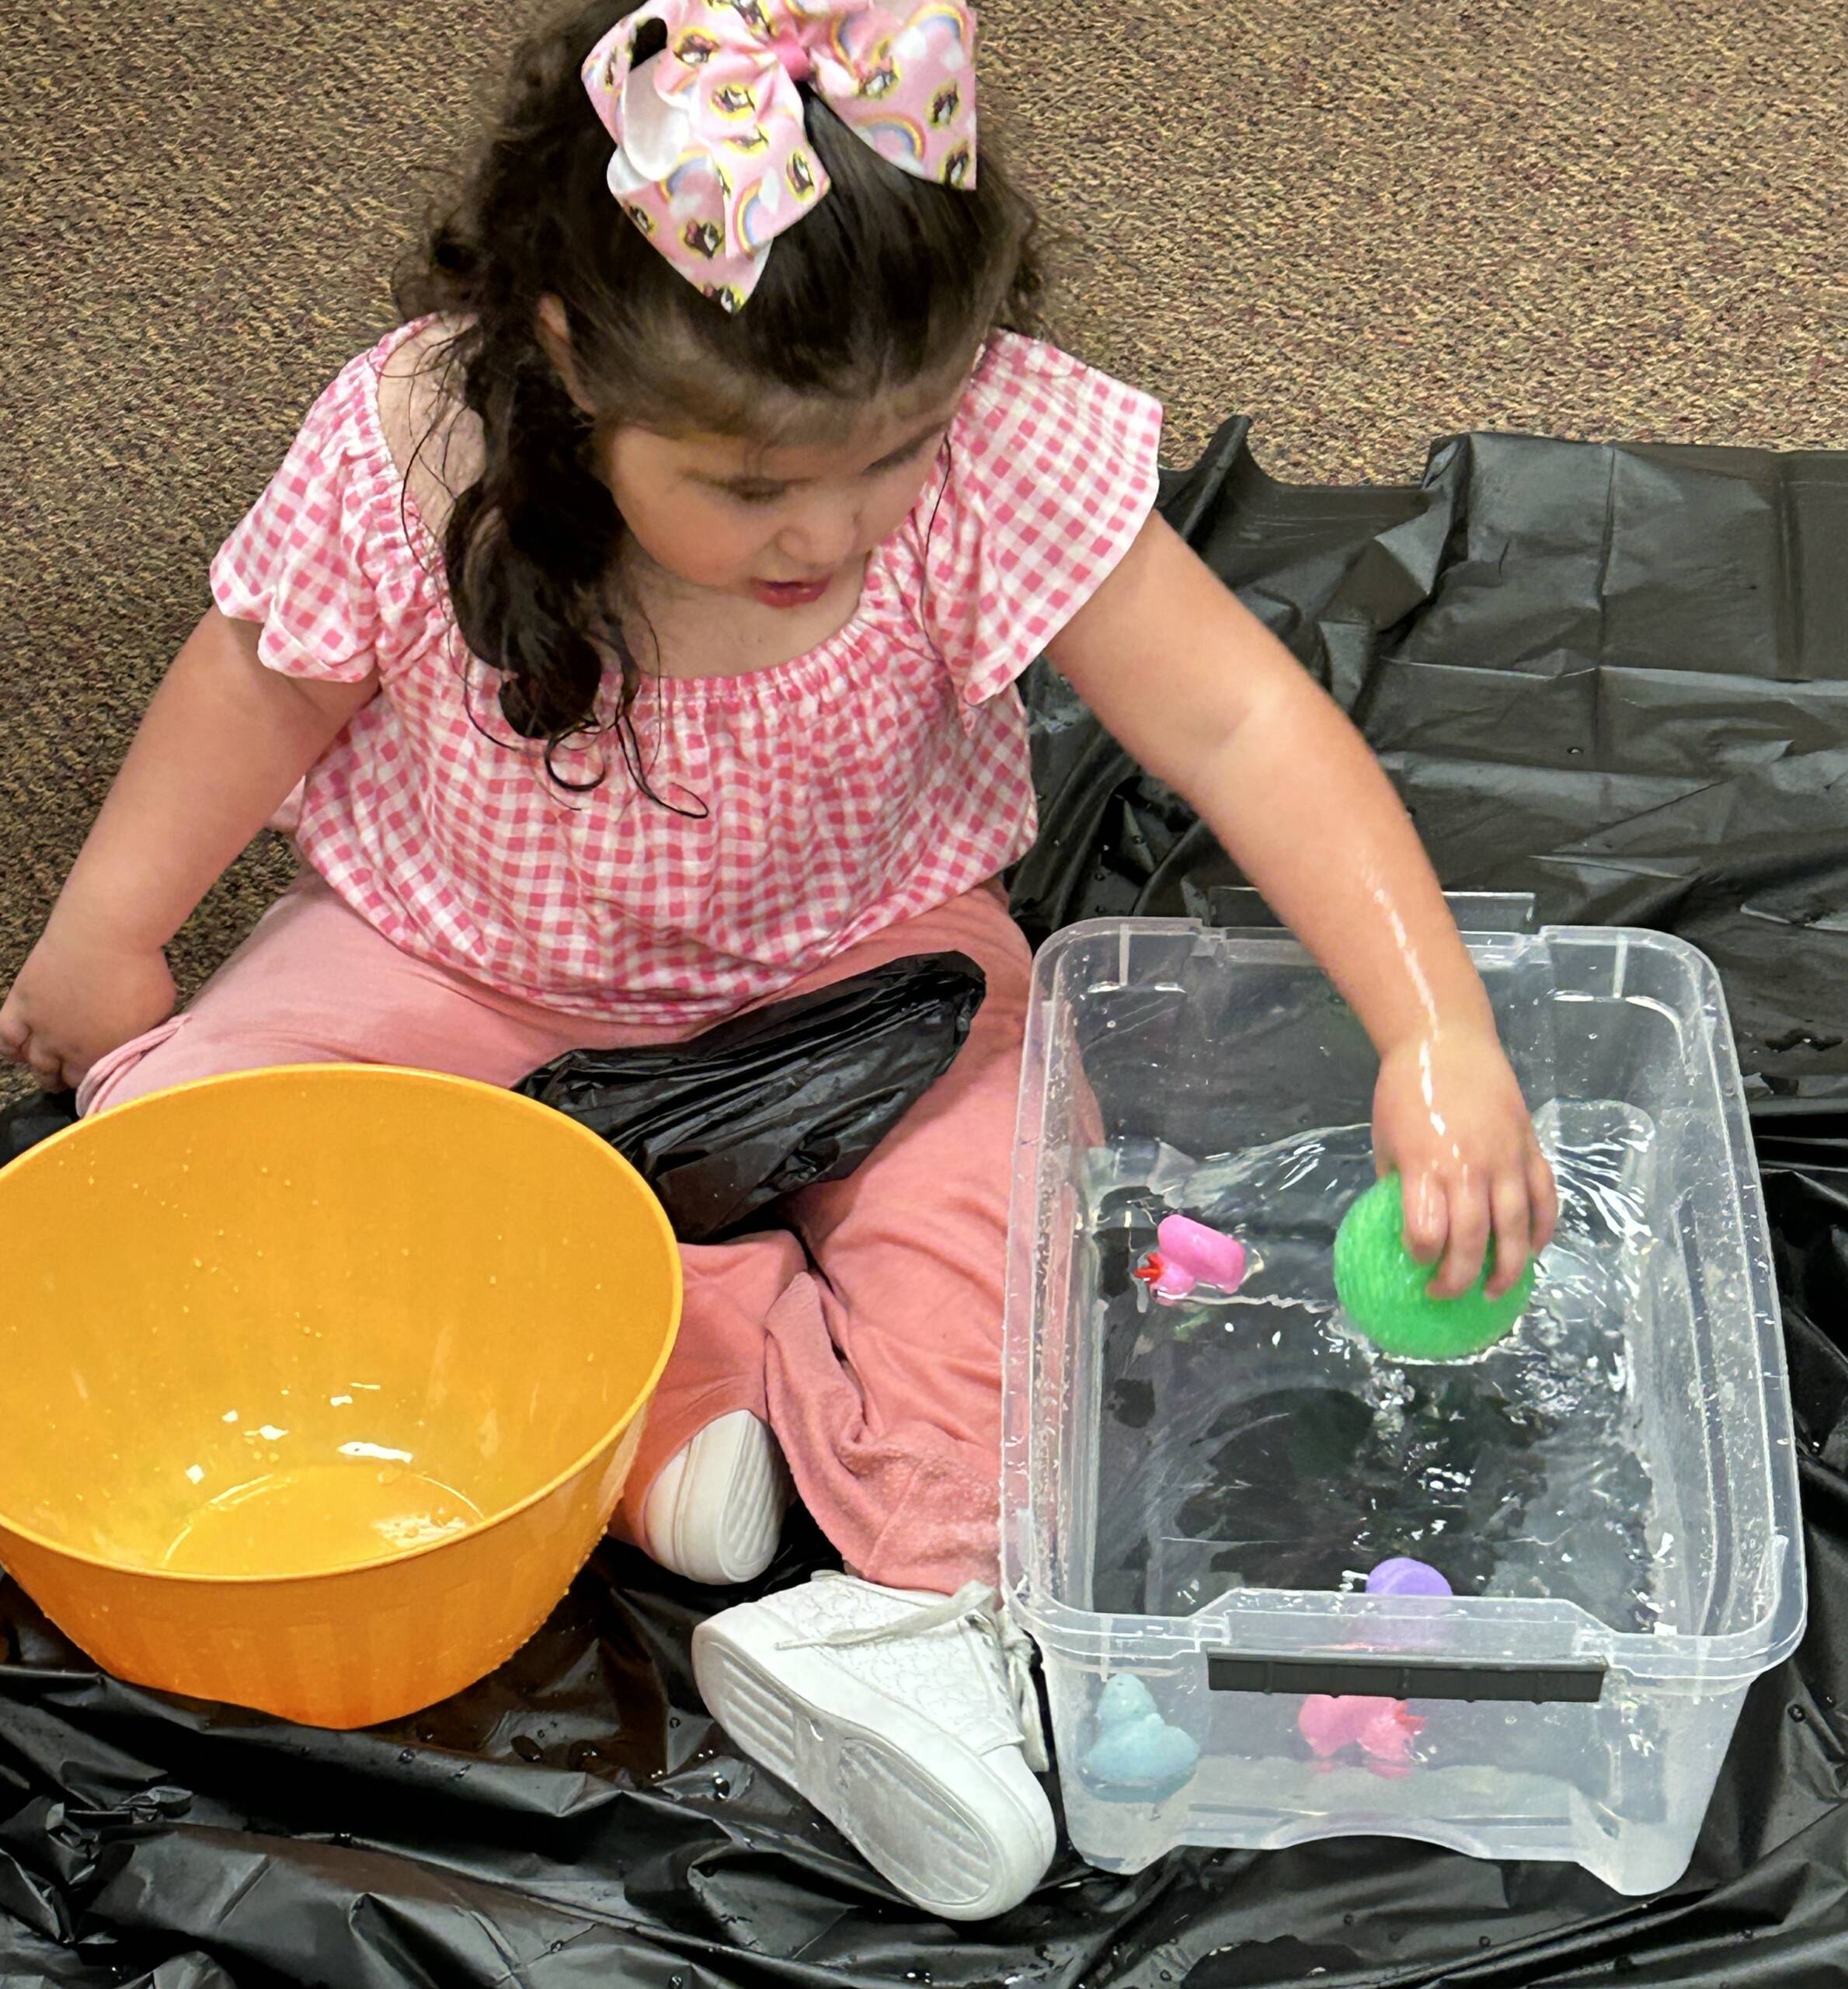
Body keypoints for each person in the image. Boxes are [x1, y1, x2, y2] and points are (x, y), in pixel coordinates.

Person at [0, 0, 1557, 1920]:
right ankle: (695, 1366)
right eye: (747, 486)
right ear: (570, 359)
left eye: (885, 455)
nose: (825, 525)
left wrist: (1432, 1030)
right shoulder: (424, 439)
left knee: (1025, 1292)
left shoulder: (990, 438)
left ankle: (877, 1592)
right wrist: (106, 937)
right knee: (180, 1180)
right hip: (452, 956)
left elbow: (1239, 724)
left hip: (868, 975)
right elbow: (256, 682)